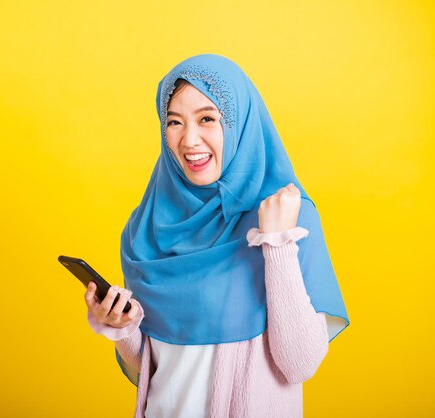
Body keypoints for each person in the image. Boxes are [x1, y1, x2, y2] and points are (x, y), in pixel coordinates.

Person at [83, 54, 349, 418]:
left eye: (207, 119)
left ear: (239, 122)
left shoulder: (289, 217)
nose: (189, 140)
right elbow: (153, 368)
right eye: (174, 122)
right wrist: (123, 328)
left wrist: (277, 245)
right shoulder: (145, 229)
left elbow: (300, 364)